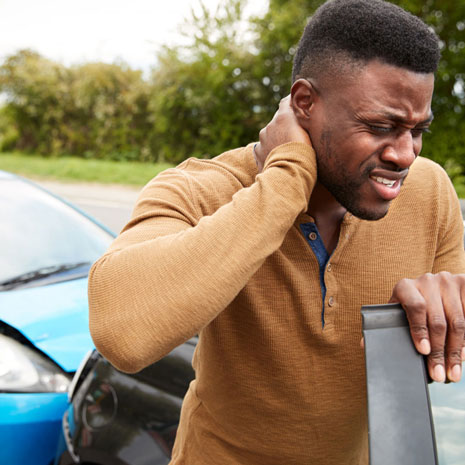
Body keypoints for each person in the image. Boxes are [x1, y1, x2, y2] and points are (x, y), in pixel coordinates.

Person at [88, 0, 465, 463]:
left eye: (417, 130)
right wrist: (287, 178)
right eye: (380, 126)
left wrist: (444, 310)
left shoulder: (430, 192)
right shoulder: (199, 189)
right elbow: (122, 335)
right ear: (304, 103)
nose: (405, 154)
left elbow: (446, 352)